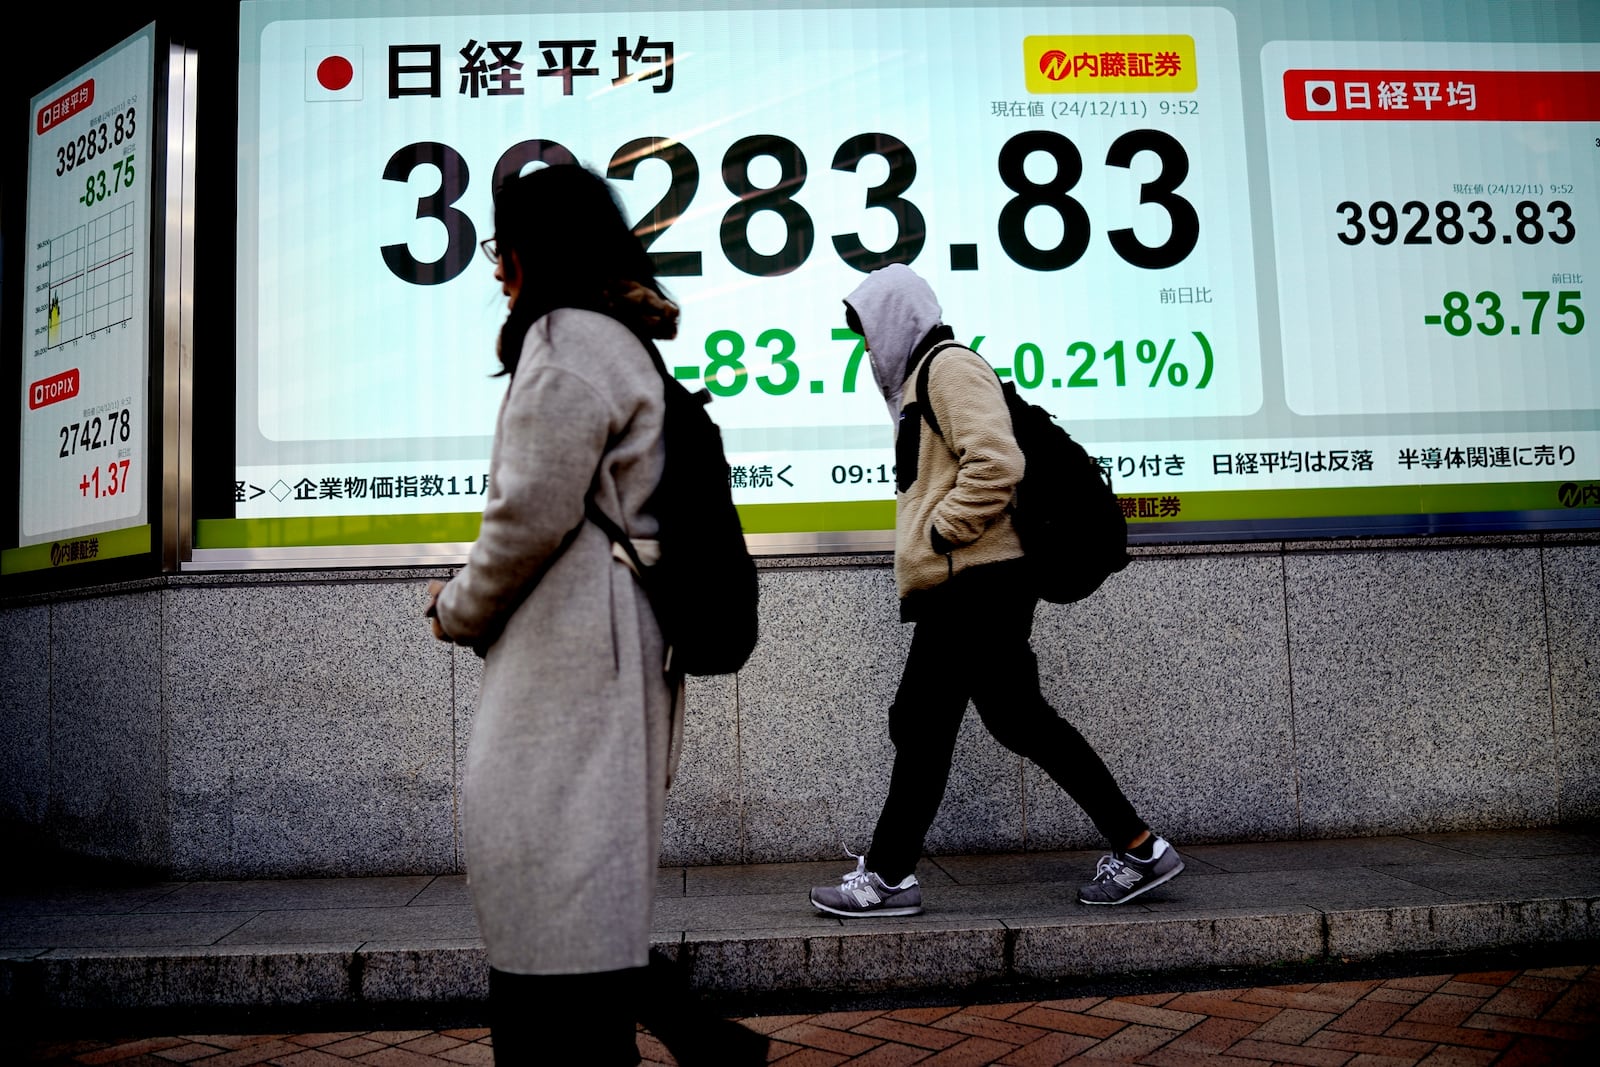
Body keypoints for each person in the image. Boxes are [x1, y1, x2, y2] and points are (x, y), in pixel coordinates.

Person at [425, 164, 766, 1065]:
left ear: (537, 251)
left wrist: (453, 607)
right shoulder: (615, 337)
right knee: (581, 900)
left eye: (504, 249)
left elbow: (525, 516)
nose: (499, 271)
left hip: (575, 662)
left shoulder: (566, 340)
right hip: (606, 652)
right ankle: (682, 1034)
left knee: (549, 892)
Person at [809, 263, 1184, 918]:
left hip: (976, 582)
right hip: (970, 584)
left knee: (926, 723)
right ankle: (1139, 846)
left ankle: (890, 875)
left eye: (870, 332)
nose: (868, 349)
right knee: (1008, 719)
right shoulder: (926, 380)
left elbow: (997, 460)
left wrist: (944, 531)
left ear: (898, 321)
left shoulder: (949, 367)